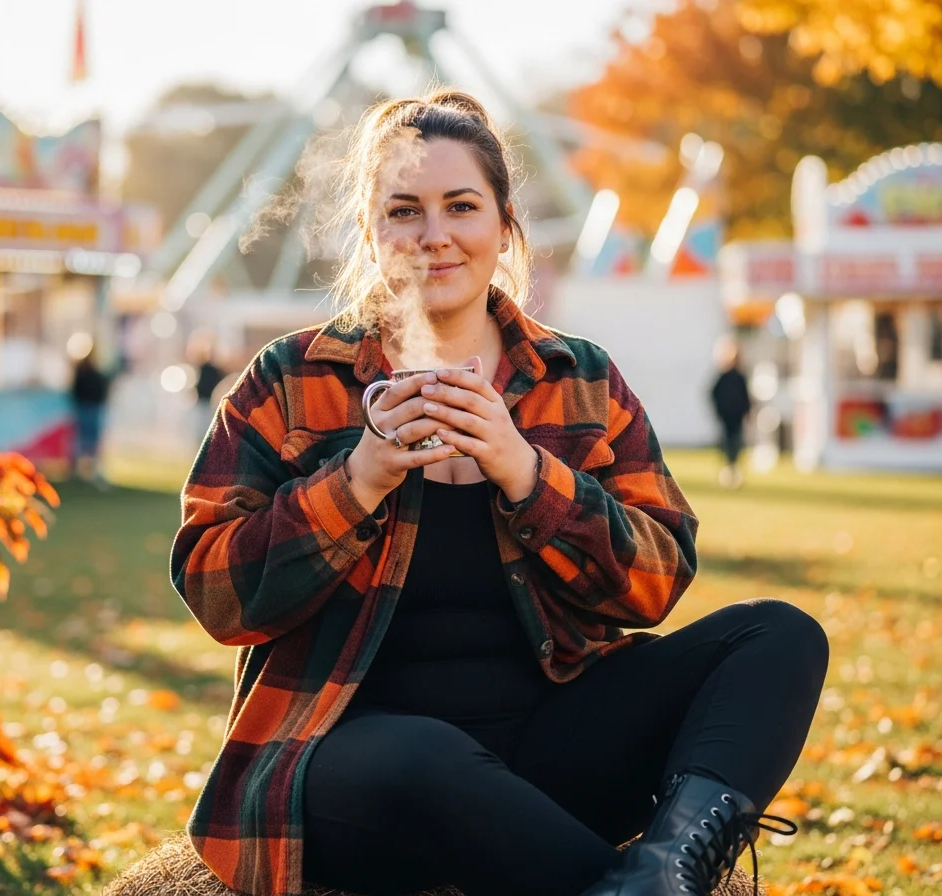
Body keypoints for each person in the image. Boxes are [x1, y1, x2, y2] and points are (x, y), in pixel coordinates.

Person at [170, 91, 828, 896]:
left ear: (505, 224)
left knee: (778, 635)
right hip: (356, 762)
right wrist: (360, 477)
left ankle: (661, 873)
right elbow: (214, 592)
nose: (434, 235)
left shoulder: (577, 377)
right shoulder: (290, 376)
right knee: (423, 752)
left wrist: (525, 471)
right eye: (404, 210)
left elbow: (656, 582)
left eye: (462, 206)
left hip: (554, 751)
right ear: (373, 235)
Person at [709, 338, 752, 489]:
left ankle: (734, 469)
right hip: (726, 417)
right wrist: (719, 411)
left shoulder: (740, 377)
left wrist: (747, 412)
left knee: (737, 444)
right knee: (727, 444)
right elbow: (713, 394)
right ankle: (727, 470)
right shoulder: (722, 377)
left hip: (737, 417)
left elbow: (746, 397)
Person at [69, 346, 111, 485]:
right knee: (83, 441)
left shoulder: (87, 373)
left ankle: (91, 469)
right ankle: (80, 470)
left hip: (92, 408)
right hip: (87, 408)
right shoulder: (84, 372)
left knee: (90, 441)